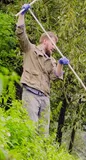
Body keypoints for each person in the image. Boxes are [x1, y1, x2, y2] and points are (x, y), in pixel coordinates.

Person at [16, 3, 69, 136]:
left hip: (45, 97)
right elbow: (21, 34)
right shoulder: (30, 49)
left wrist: (61, 64)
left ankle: (39, 155)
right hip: (31, 93)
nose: (54, 47)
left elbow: (55, 77)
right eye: (53, 44)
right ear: (45, 41)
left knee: (43, 133)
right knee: (30, 127)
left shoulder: (52, 61)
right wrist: (22, 14)